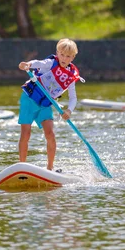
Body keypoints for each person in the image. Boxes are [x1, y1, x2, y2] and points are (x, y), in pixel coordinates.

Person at [17, 38, 82, 171]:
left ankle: (50, 168)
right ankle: (21, 166)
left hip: (45, 105)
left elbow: (73, 98)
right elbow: (37, 63)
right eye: (62, 54)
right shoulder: (50, 63)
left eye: (68, 56)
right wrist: (28, 64)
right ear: (57, 52)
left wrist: (69, 111)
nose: (64, 58)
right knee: (26, 133)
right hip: (29, 100)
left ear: (73, 57)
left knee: (50, 134)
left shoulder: (70, 76)